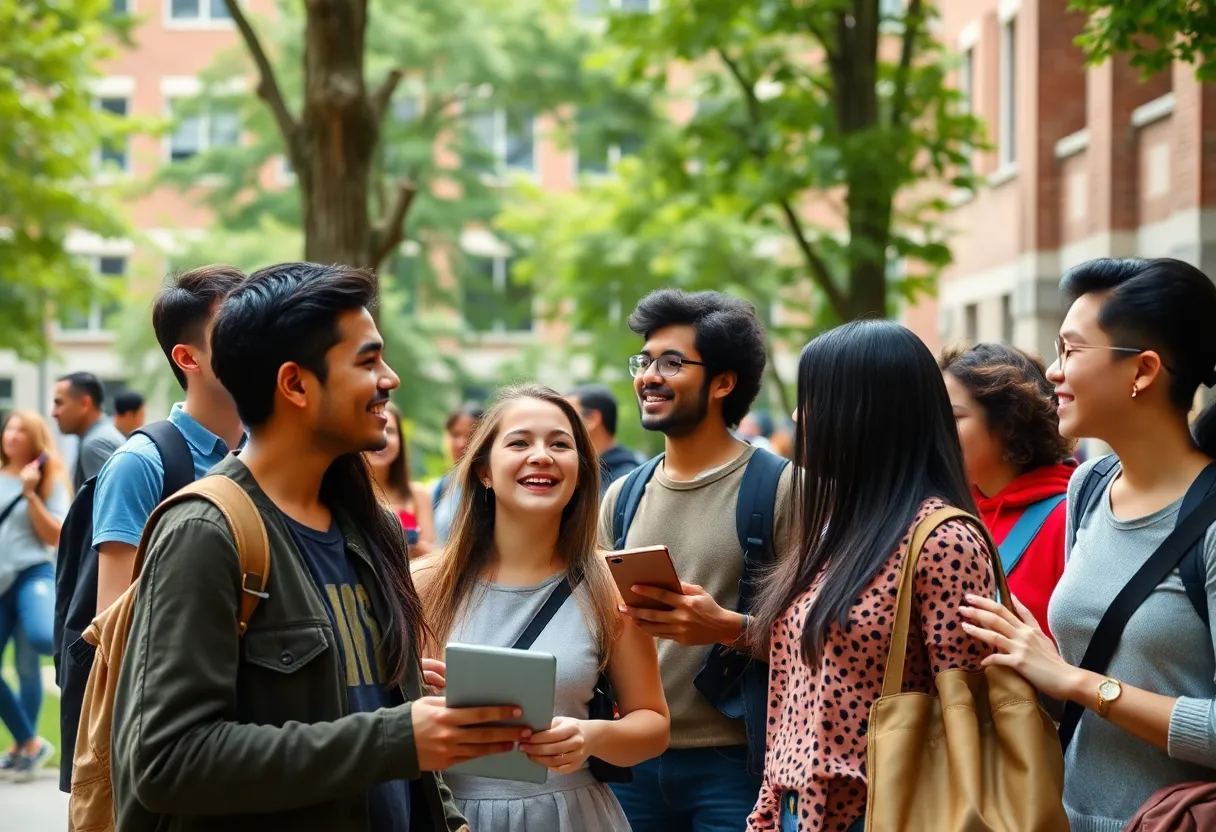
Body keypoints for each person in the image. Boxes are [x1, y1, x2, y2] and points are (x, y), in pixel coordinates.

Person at [111, 262, 514, 831]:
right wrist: (396, 737)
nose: (390, 379)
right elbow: (167, 761)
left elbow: (397, 734)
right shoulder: (206, 532)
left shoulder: (370, 523)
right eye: (368, 361)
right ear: (295, 384)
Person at [960, 257, 1216, 831]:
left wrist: (1075, 680)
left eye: (1072, 351)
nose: (1052, 371)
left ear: (1143, 370)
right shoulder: (1090, 486)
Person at [746, 320, 996, 832]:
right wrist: (769, 810)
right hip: (798, 813)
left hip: (887, 812)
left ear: (866, 412)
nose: (797, 416)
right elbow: (795, 697)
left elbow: (968, 715)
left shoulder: (942, 541)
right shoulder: (837, 526)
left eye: (813, 398)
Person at [413, 384, 670, 831]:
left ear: (581, 472)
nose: (541, 456)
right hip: (450, 816)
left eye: (560, 444)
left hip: (570, 816)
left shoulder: (610, 584)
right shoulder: (422, 584)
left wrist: (592, 736)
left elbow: (653, 725)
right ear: (483, 472)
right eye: (519, 442)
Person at [597, 289, 795, 832]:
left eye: (672, 362)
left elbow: (829, 637)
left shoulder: (781, 488)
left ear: (723, 383)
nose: (649, 376)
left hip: (736, 764)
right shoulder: (622, 496)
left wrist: (728, 628)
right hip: (629, 761)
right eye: (645, 361)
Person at [92, 266, 248, 614]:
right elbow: (114, 628)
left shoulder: (271, 451)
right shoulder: (140, 464)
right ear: (188, 357)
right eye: (238, 331)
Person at [940, 342, 1076, 637]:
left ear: (1008, 424)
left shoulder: (1069, 520)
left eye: (953, 418)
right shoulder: (948, 515)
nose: (937, 434)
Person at [0, 411, 70, 780]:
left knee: (41, 642)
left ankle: (22, 747)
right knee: (21, 667)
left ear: (35, 440)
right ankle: (27, 743)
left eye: (21, 430)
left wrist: (29, 493)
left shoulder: (47, 481)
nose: (12, 435)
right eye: (9, 427)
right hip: (0, 583)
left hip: (31, 574)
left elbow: (54, 535)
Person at [367, 401, 435, 556]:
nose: (383, 437)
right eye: (374, 428)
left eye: (390, 431)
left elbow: (432, 560)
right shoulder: (343, 494)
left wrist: (415, 546)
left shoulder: (418, 495)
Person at [52, 372, 125, 491]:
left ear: (85, 404)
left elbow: (111, 502)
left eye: (59, 403)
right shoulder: (101, 435)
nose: (54, 413)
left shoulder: (96, 444)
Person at [566, 383, 644, 493]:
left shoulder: (626, 479)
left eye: (568, 415)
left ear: (592, 419)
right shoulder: (585, 471)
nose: (560, 422)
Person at [432, 402, 484, 546]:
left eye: (471, 435)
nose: (461, 443)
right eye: (455, 435)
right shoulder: (441, 487)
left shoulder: (494, 490)